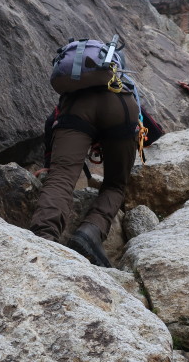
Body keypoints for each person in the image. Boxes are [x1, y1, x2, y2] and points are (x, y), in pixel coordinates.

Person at [30, 83, 139, 268]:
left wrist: (49, 165)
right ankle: (90, 232)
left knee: (61, 177)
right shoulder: (121, 83)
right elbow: (151, 129)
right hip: (122, 106)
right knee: (115, 185)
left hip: (78, 107)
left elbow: (51, 122)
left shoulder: (76, 87)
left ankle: (43, 237)